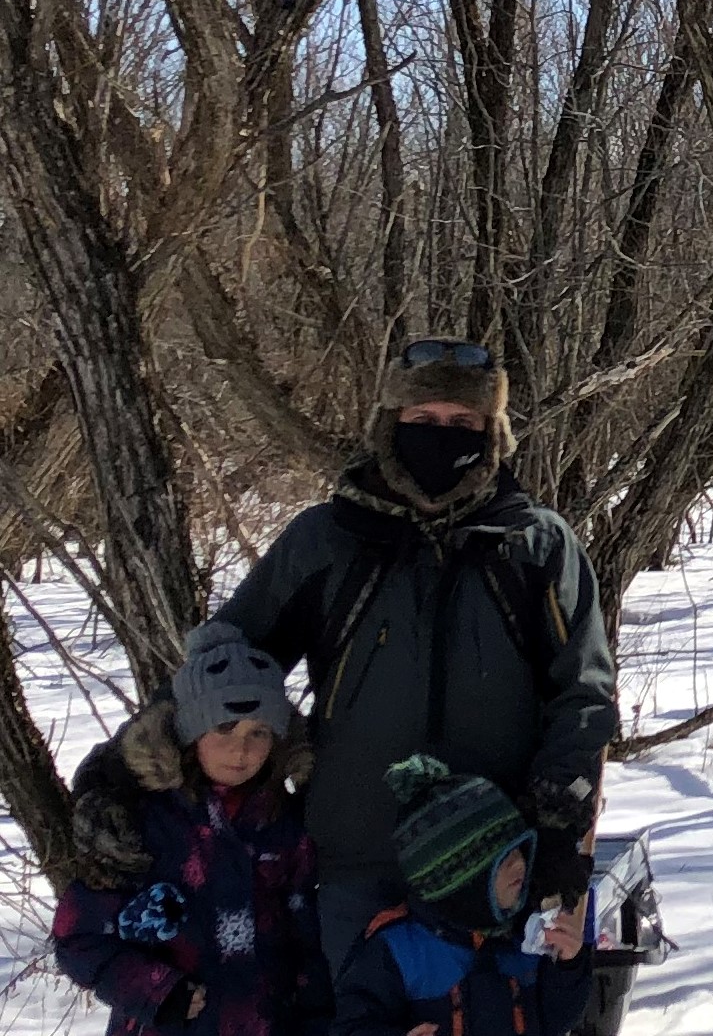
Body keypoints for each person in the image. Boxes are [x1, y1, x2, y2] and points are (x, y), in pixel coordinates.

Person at [70, 338, 619, 976]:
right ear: (390, 426)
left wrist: (559, 835)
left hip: (498, 857)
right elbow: (226, 666)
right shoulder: (326, 542)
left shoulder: (537, 546)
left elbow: (584, 696)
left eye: (462, 423)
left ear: (492, 436)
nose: (442, 436)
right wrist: (126, 768)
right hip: (356, 856)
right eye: (423, 421)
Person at [54, 624, 333, 1036]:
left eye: (259, 732)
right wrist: (157, 992)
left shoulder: (284, 824)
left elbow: (308, 947)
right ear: (190, 732)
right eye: (224, 729)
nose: (242, 749)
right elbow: (78, 938)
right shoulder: (139, 825)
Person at [333, 756, 593, 1036]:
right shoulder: (397, 949)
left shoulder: (526, 933)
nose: (520, 864)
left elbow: (554, 1021)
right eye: (502, 858)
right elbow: (352, 1025)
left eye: (520, 849)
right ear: (461, 881)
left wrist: (569, 968)